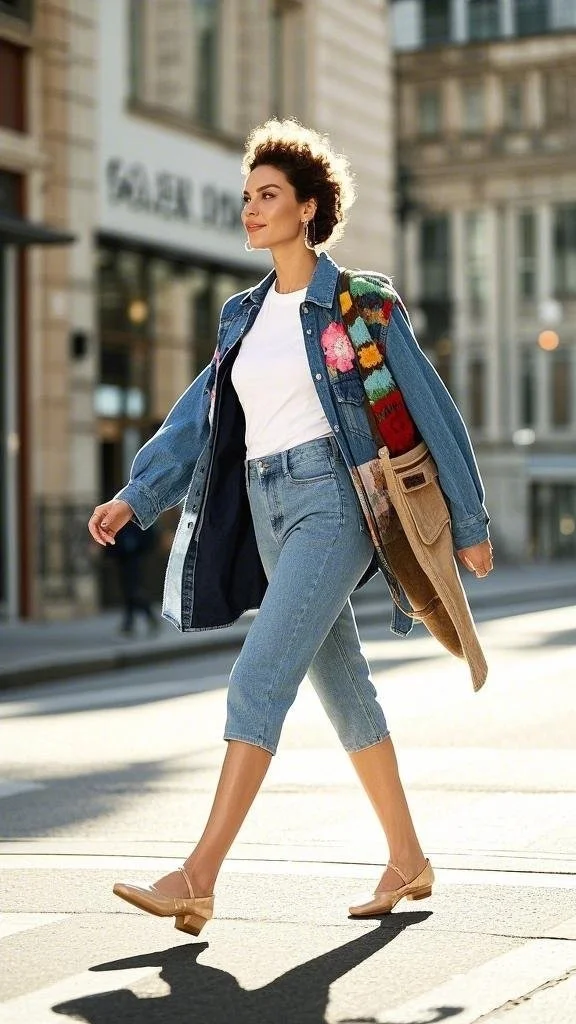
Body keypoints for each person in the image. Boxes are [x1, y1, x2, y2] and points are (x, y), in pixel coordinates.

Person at [88, 119, 493, 937]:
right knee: (345, 690)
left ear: (308, 209)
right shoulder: (241, 315)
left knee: (257, 680)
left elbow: (431, 406)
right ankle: (407, 858)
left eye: (268, 196)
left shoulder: (357, 303)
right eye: (247, 198)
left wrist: (471, 520)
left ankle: (198, 877)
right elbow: (200, 418)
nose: (252, 210)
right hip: (269, 506)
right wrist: (138, 494)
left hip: (334, 502)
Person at [104, 519, 160, 636]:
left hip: (135, 557)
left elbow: (148, 534)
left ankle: (136, 619)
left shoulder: (136, 515)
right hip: (123, 557)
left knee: (133, 590)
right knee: (128, 590)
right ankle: (131, 622)